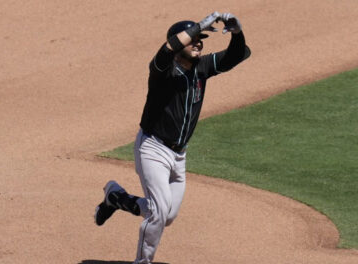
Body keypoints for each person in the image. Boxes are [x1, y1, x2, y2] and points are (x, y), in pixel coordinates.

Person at [94, 11, 251, 264]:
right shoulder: (162, 72)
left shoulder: (201, 67)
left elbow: (236, 55)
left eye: (201, 39)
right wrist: (199, 25)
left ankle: (116, 197)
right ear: (180, 45)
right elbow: (167, 49)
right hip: (153, 148)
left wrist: (237, 32)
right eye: (193, 39)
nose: (198, 42)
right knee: (157, 214)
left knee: (167, 216)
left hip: (179, 155)